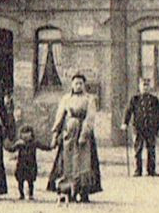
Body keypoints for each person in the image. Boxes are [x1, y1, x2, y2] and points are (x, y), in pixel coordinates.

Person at [48, 73, 103, 203]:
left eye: (81, 83)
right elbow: (60, 116)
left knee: (84, 162)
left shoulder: (89, 99)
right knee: (67, 162)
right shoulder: (66, 99)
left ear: (84, 85)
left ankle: (83, 192)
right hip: (69, 134)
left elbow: (90, 117)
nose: (78, 86)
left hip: (84, 135)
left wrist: (84, 134)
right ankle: (67, 191)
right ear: (72, 85)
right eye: (76, 83)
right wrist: (55, 134)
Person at [123, 77, 159, 177]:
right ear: (139, 86)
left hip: (151, 129)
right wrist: (125, 123)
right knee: (138, 150)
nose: (145, 88)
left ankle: (151, 170)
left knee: (151, 150)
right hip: (138, 128)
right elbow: (128, 111)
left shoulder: (154, 100)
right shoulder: (135, 99)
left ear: (149, 87)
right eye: (143, 85)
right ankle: (138, 170)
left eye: (147, 85)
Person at [7, 122, 42, 200]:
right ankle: (21, 194)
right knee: (20, 181)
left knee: (30, 182)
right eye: (24, 133)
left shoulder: (34, 143)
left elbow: (44, 147)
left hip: (30, 165)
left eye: (27, 133)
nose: (26, 136)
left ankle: (30, 194)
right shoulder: (19, 143)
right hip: (21, 165)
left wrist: (52, 146)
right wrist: (6, 145)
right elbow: (12, 149)